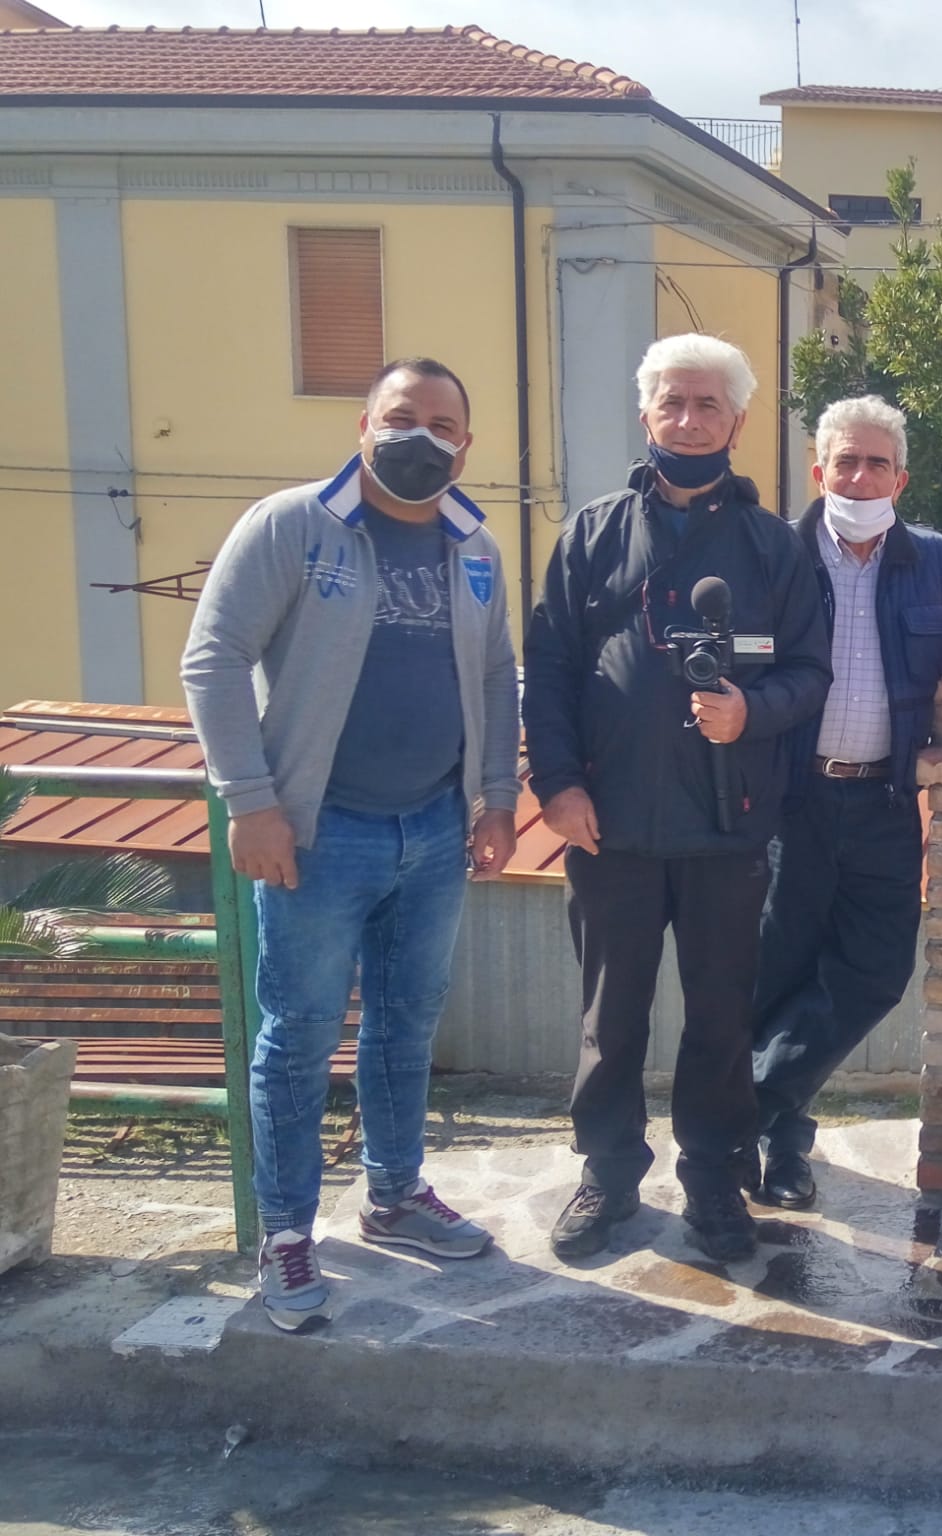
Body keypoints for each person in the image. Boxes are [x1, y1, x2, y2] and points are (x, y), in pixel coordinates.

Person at [182, 357, 521, 1332]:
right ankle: (288, 1233)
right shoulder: (294, 525)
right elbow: (213, 658)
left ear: (467, 444)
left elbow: (497, 681)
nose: (420, 437)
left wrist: (495, 799)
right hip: (317, 835)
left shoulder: (474, 549)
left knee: (406, 1025)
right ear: (364, 424)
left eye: (441, 424)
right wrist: (250, 800)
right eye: (401, 417)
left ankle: (393, 1192)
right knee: (297, 1041)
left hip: (433, 829)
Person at [523, 334, 832, 1264]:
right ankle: (609, 1177)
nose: (688, 419)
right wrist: (558, 783)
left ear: (737, 422)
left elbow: (813, 673)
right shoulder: (590, 535)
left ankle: (713, 1181)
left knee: (720, 1019)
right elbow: (550, 667)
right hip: (608, 827)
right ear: (646, 413)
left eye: (707, 406)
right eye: (672, 403)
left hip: (726, 830)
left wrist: (753, 711)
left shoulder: (773, 546)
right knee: (609, 1020)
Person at [747, 396, 942, 1208]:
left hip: (881, 803)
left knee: (874, 973)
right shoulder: (775, 553)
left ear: (900, 478)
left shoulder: (936, 563)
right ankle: (779, 1147)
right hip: (789, 802)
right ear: (818, 470)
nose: (860, 475)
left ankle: (744, 1103)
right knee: (776, 973)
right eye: (846, 460)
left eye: (877, 462)